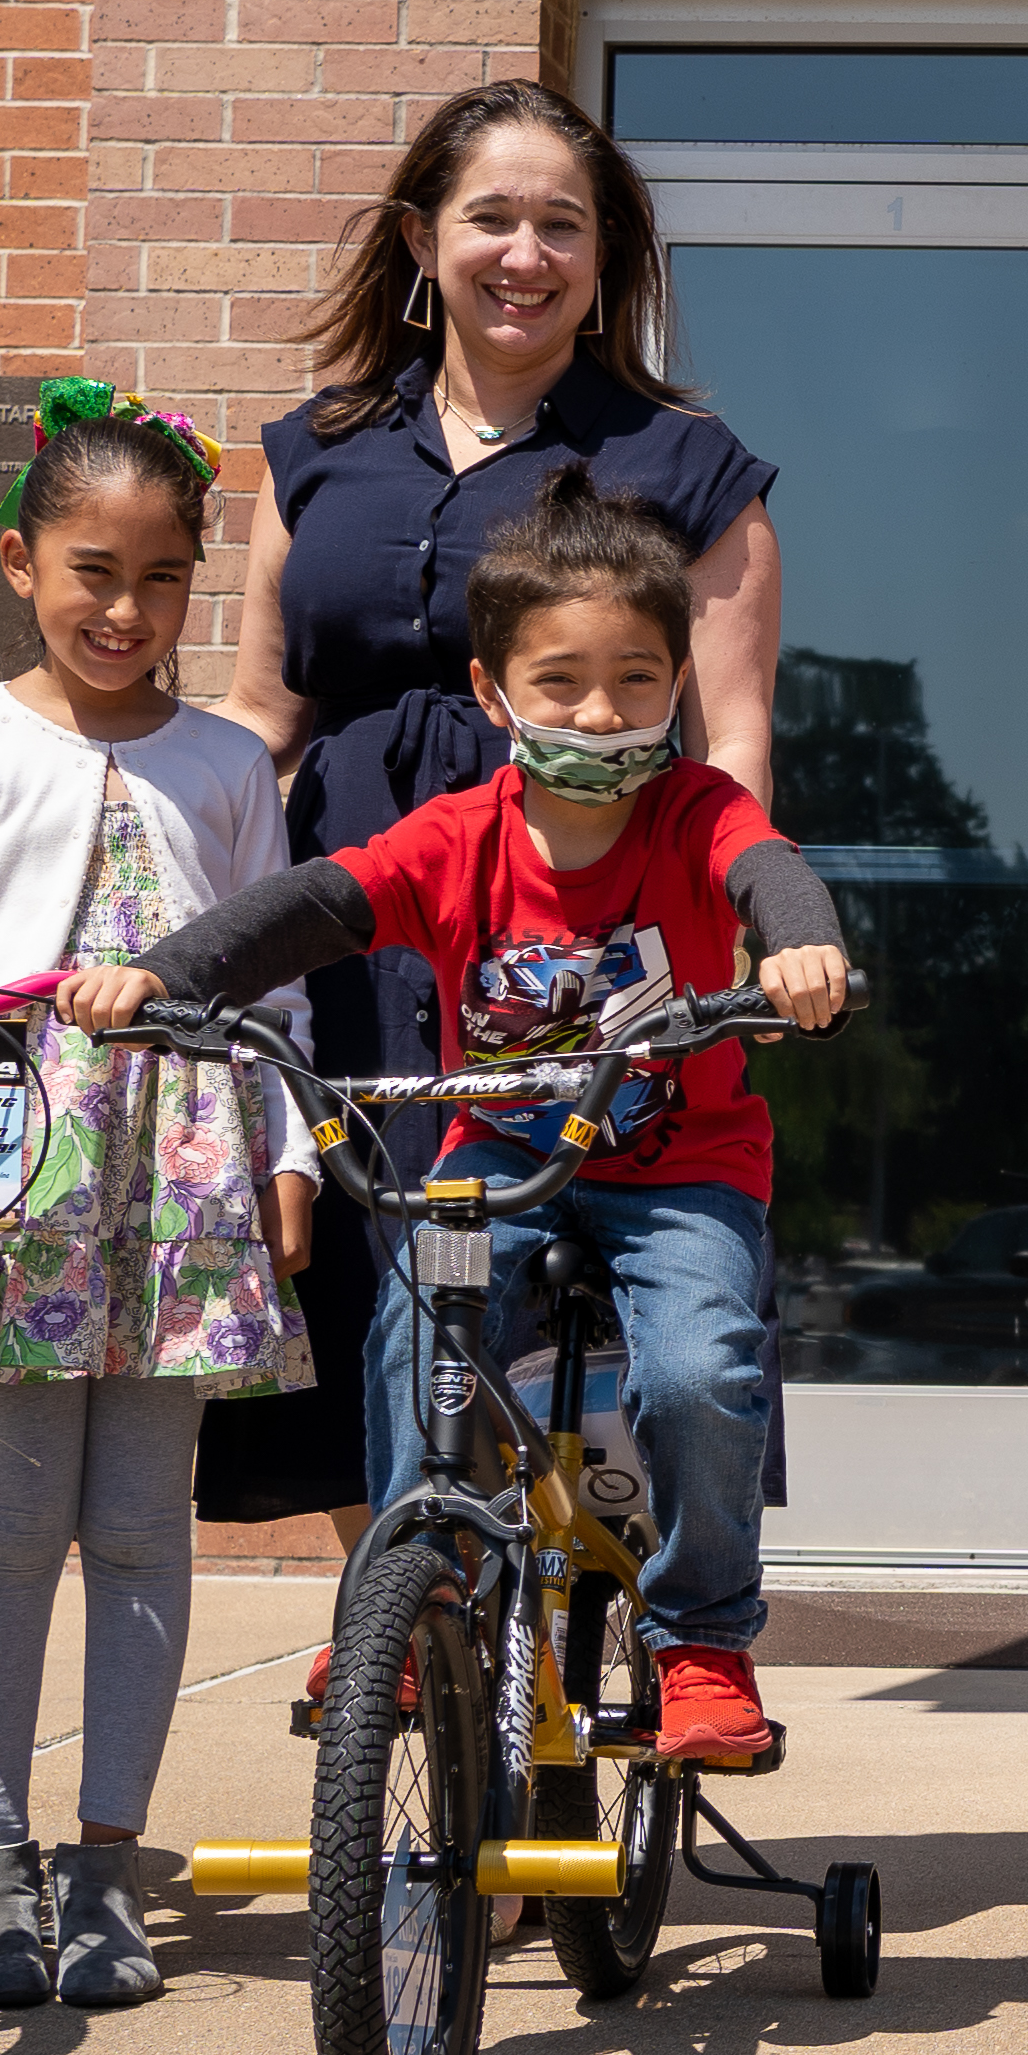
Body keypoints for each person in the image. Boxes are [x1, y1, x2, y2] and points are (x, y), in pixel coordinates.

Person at [75, 476, 857, 1767]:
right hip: (496, 1157)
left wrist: (803, 952)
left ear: (676, 688)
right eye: (559, 683)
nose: (599, 713)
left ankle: (703, 1636)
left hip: (681, 1168)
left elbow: (769, 874)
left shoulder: (693, 812)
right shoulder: (457, 838)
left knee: (702, 1370)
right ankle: (419, 1578)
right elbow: (313, 905)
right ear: (494, 694)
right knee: (415, 1329)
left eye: (636, 680)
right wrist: (165, 975)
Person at [216, 79, 782, 1528]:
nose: (524, 254)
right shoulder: (317, 448)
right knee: (364, 1255)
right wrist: (199, 935)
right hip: (355, 905)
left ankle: (589, 1608)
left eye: (562, 225)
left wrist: (733, 953)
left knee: (560, 1266)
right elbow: (261, 722)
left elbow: (730, 749)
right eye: (490, 218)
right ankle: (401, 1606)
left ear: (607, 260)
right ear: (420, 238)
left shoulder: (682, 468)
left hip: (575, 919)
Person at [0, 382, 323, 2009]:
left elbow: (280, 988)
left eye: (160, 580)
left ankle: (106, 1862)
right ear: (18, 561)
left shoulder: (223, 763)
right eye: (90, 572)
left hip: (187, 1180)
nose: (125, 612)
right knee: (10, 1530)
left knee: (140, 1528)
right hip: (12, 1175)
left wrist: (287, 1158)